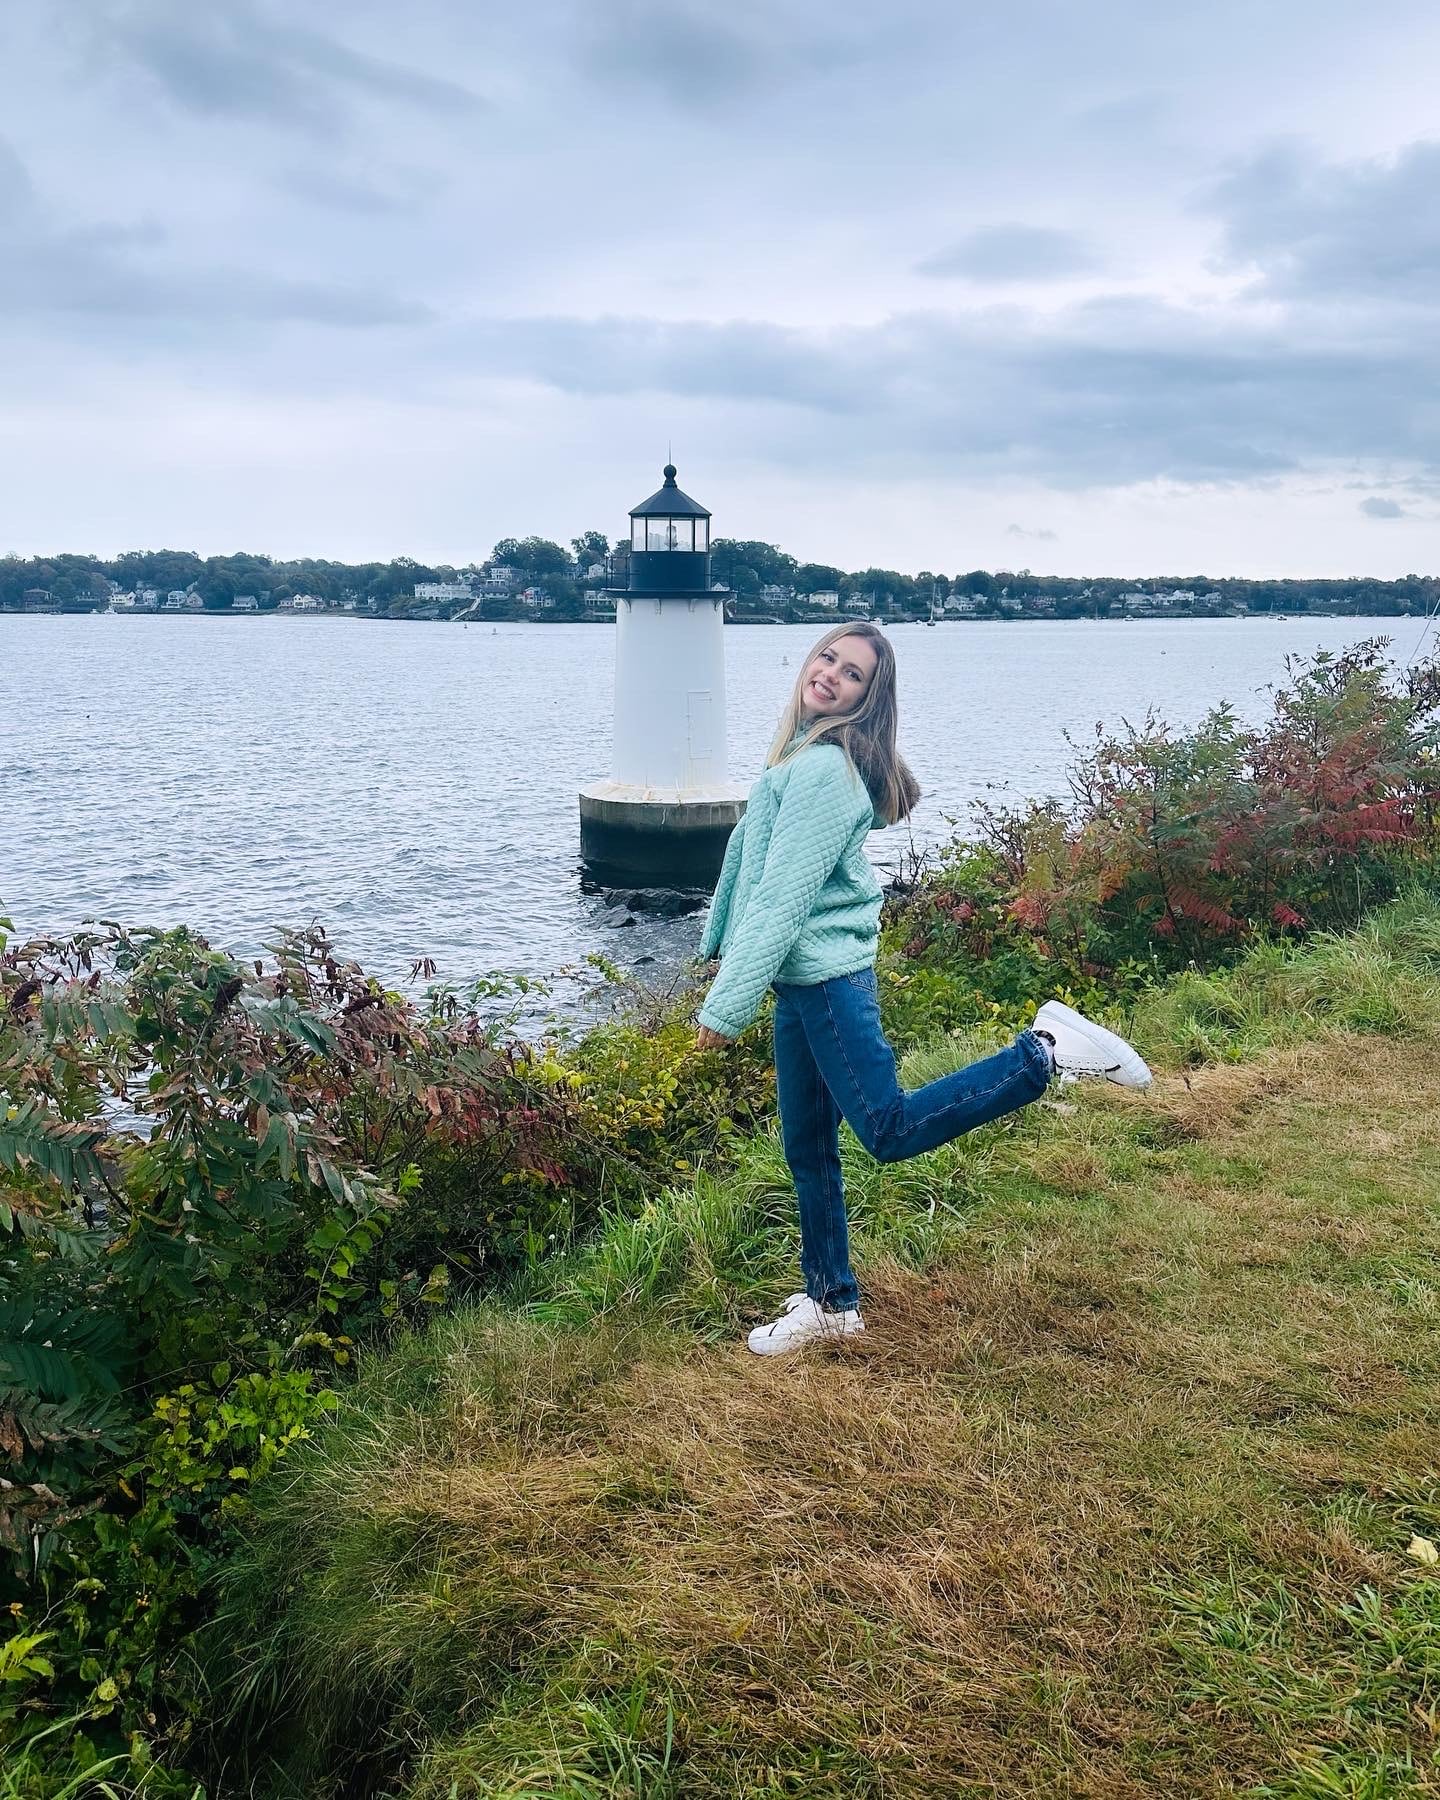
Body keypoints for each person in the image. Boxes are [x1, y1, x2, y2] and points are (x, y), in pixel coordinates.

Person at [695, 623, 1152, 1356]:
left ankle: (1045, 1053)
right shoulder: (806, 754)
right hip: (803, 981)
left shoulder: (820, 772)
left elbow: (780, 900)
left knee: (888, 1129)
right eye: (828, 658)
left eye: (852, 674)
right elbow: (761, 881)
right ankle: (831, 1301)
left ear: (867, 698)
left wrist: (724, 1005)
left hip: (828, 985)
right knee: (808, 1147)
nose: (832, 675)